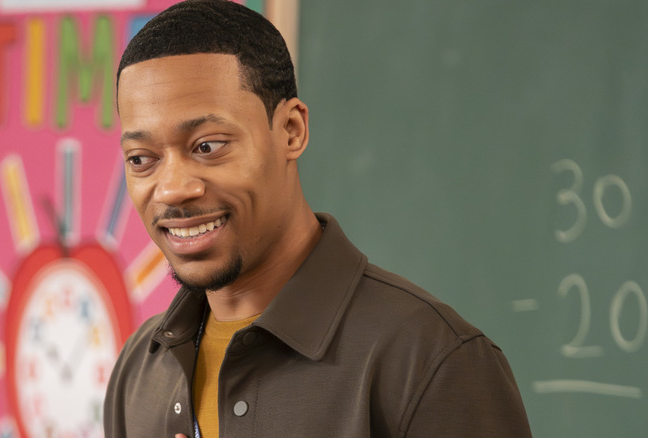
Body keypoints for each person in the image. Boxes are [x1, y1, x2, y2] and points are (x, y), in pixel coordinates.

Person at [104, 1, 532, 437]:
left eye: (208, 146)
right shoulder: (140, 368)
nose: (174, 188)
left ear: (291, 130)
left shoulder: (431, 361)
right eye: (142, 158)